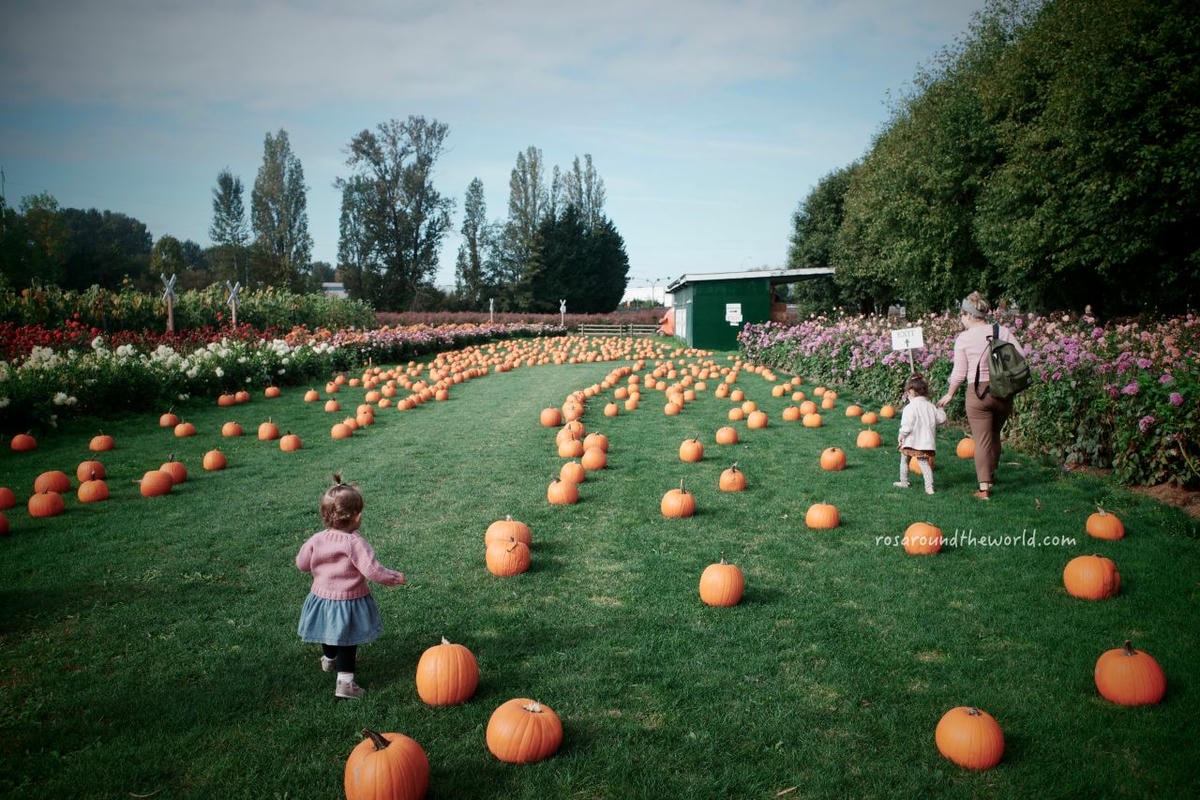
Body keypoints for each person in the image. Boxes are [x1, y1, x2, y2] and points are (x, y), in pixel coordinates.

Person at [296, 474, 405, 699]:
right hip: (348, 601)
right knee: (347, 639)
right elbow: (372, 570)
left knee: (329, 631)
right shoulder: (354, 542)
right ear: (356, 517)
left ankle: (329, 659)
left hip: (322, 598)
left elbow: (302, 564)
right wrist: (392, 577)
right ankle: (345, 683)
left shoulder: (316, 539)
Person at [936, 292, 1026, 499]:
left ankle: (984, 488)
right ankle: (991, 473)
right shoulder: (1000, 331)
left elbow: (959, 373)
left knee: (982, 439)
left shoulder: (964, 339)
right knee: (994, 434)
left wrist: (950, 393)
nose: (961, 319)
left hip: (978, 393)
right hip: (1003, 391)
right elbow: (1020, 354)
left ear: (968, 314)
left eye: (961, 315)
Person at [894, 373, 946, 495]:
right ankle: (929, 487)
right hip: (925, 442)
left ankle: (904, 482)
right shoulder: (931, 407)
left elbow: (907, 426)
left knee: (904, 460)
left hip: (911, 441)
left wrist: (901, 435)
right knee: (924, 464)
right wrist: (941, 409)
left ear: (911, 392)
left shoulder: (910, 408)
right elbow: (941, 419)